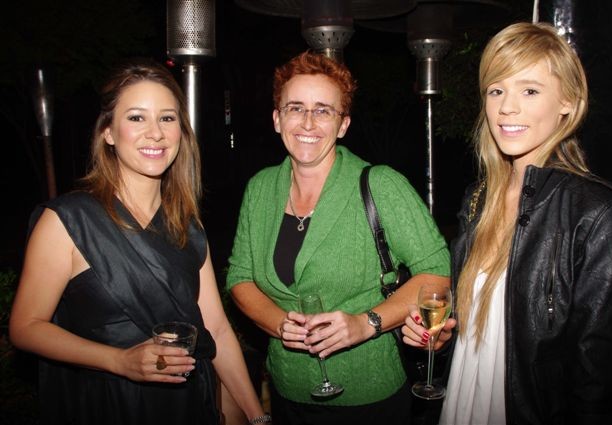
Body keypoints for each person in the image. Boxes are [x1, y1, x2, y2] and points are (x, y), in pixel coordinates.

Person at [402, 22, 612, 424]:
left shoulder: (599, 214)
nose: (506, 108)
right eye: (496, 90)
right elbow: (482, 327)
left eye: (529, 91)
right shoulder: (479, 199)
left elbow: (598, 385)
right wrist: (441, 339)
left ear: (568, 102)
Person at [9, 58, 270, 425]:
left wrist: (257, 416)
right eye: (136, 117)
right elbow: (25, 327)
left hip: (188, 405)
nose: (156, 133)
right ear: (108, 132)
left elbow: (218, 329)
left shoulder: (187, 225)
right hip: (109, 403)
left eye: (167, 118)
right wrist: (118, 360)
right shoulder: (69, 220)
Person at [225, 50, 450, 425]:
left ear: (343, 125)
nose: (308, 122)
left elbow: (437, 272)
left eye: (323, 110)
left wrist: (366, 323)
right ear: (277, 119)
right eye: (296, 108)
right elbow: (240, 277)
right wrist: (280, 324)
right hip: (287, 391)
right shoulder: (260, 189)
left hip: (370, 397)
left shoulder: (381, 184)